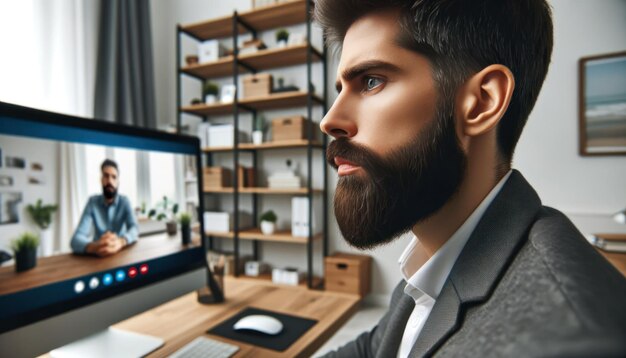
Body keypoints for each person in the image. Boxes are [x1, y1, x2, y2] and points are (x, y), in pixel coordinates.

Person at [314, 0, 626, 356]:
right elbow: (373, 349)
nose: (329, 120)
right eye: (341, 89)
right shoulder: (436, 258)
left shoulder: (569, 341)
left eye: (370, 81)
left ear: (481, 102)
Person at [70, 159, 138, 256]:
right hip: (97, 256)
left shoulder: (125, 201)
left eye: (114, 177)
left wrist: (121, 241)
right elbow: (76, 239)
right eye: (106, 176)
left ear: (118, 182)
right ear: (101, 180)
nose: (110, 181)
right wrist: (95, 247)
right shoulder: (92, 202)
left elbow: (134, 228)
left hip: (120, 253)